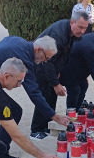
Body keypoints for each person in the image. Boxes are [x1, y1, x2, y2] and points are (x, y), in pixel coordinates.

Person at [0, 35, 70, 158]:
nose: (45, 61)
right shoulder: (23, 59)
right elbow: (34, 92)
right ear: (39, 49)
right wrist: (54, 116)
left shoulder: (19, 42)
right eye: (46, 57)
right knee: (14, 110)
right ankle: (1, 153)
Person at [30, 11, 89, 140]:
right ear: (72, 22)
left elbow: (62, 55)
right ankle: (36, 129)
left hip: (51, 66)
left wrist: (58, 72)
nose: (83, 31)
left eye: (85, 28)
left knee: (51, 97)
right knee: (45, 96)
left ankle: (45, 125)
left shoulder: (71, 32)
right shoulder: (59, 34)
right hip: (41, 64)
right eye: (80, 27)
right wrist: (56, 83)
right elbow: (48, 62)